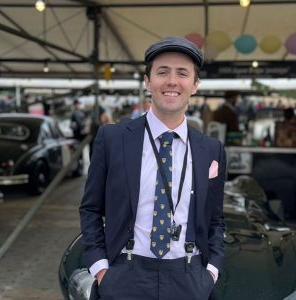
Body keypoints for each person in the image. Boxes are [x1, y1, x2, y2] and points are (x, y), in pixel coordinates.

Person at [79, 36, 226, 300]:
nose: (172, 81)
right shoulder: (112, 139)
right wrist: (101, 269)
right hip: (124, 276)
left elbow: (216, 219)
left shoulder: (211, 149)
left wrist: (212, 271)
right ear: (147, 82)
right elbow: (90, 209)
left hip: (190, 278)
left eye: (182, 73)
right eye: (162, 72)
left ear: (195, 85)